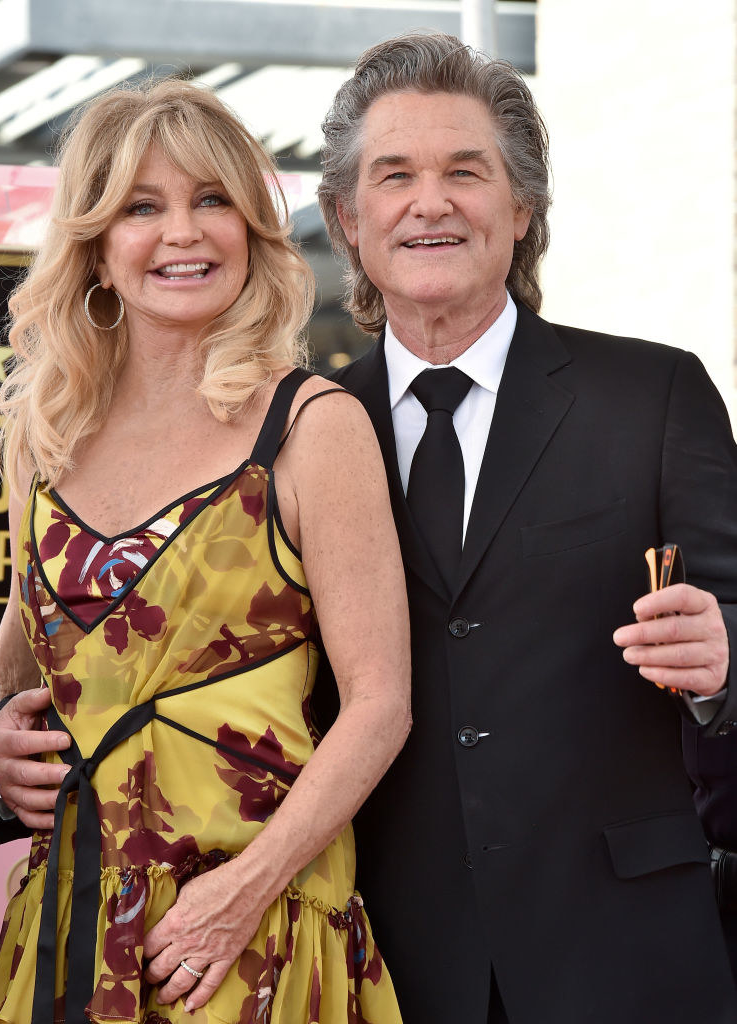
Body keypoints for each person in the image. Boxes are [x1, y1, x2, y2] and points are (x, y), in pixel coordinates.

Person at [312, 31, 737, 1024]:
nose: (431, 202)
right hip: (384, 966)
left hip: (628, 963)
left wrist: (723, 666)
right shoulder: (304, 431)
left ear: (522, 206)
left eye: (466, 171)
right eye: (394, 175)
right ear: (347, 217)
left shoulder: (655, 395)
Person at [0, 78, 410, 1024]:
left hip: (249, 943)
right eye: (141, 206)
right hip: (64, 939)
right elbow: (19, 682)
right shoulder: (42, 441)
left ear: (251, 227)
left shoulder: (312, 426)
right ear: (92, 243)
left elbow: (380, 706)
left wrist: (242, 892)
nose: (184, 233)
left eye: (212, 199)